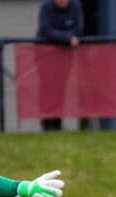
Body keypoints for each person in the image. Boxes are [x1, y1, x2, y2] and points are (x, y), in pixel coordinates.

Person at [36, 0, 84, 132]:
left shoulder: (76, 6)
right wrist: (67, 38)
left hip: (65, 57)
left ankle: (57, 124)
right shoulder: (46, 7)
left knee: (61, 88)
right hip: (45, 56)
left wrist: (66, 38)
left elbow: (78, 30)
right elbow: (45, 30)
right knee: (46, 89)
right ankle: (46, 124)